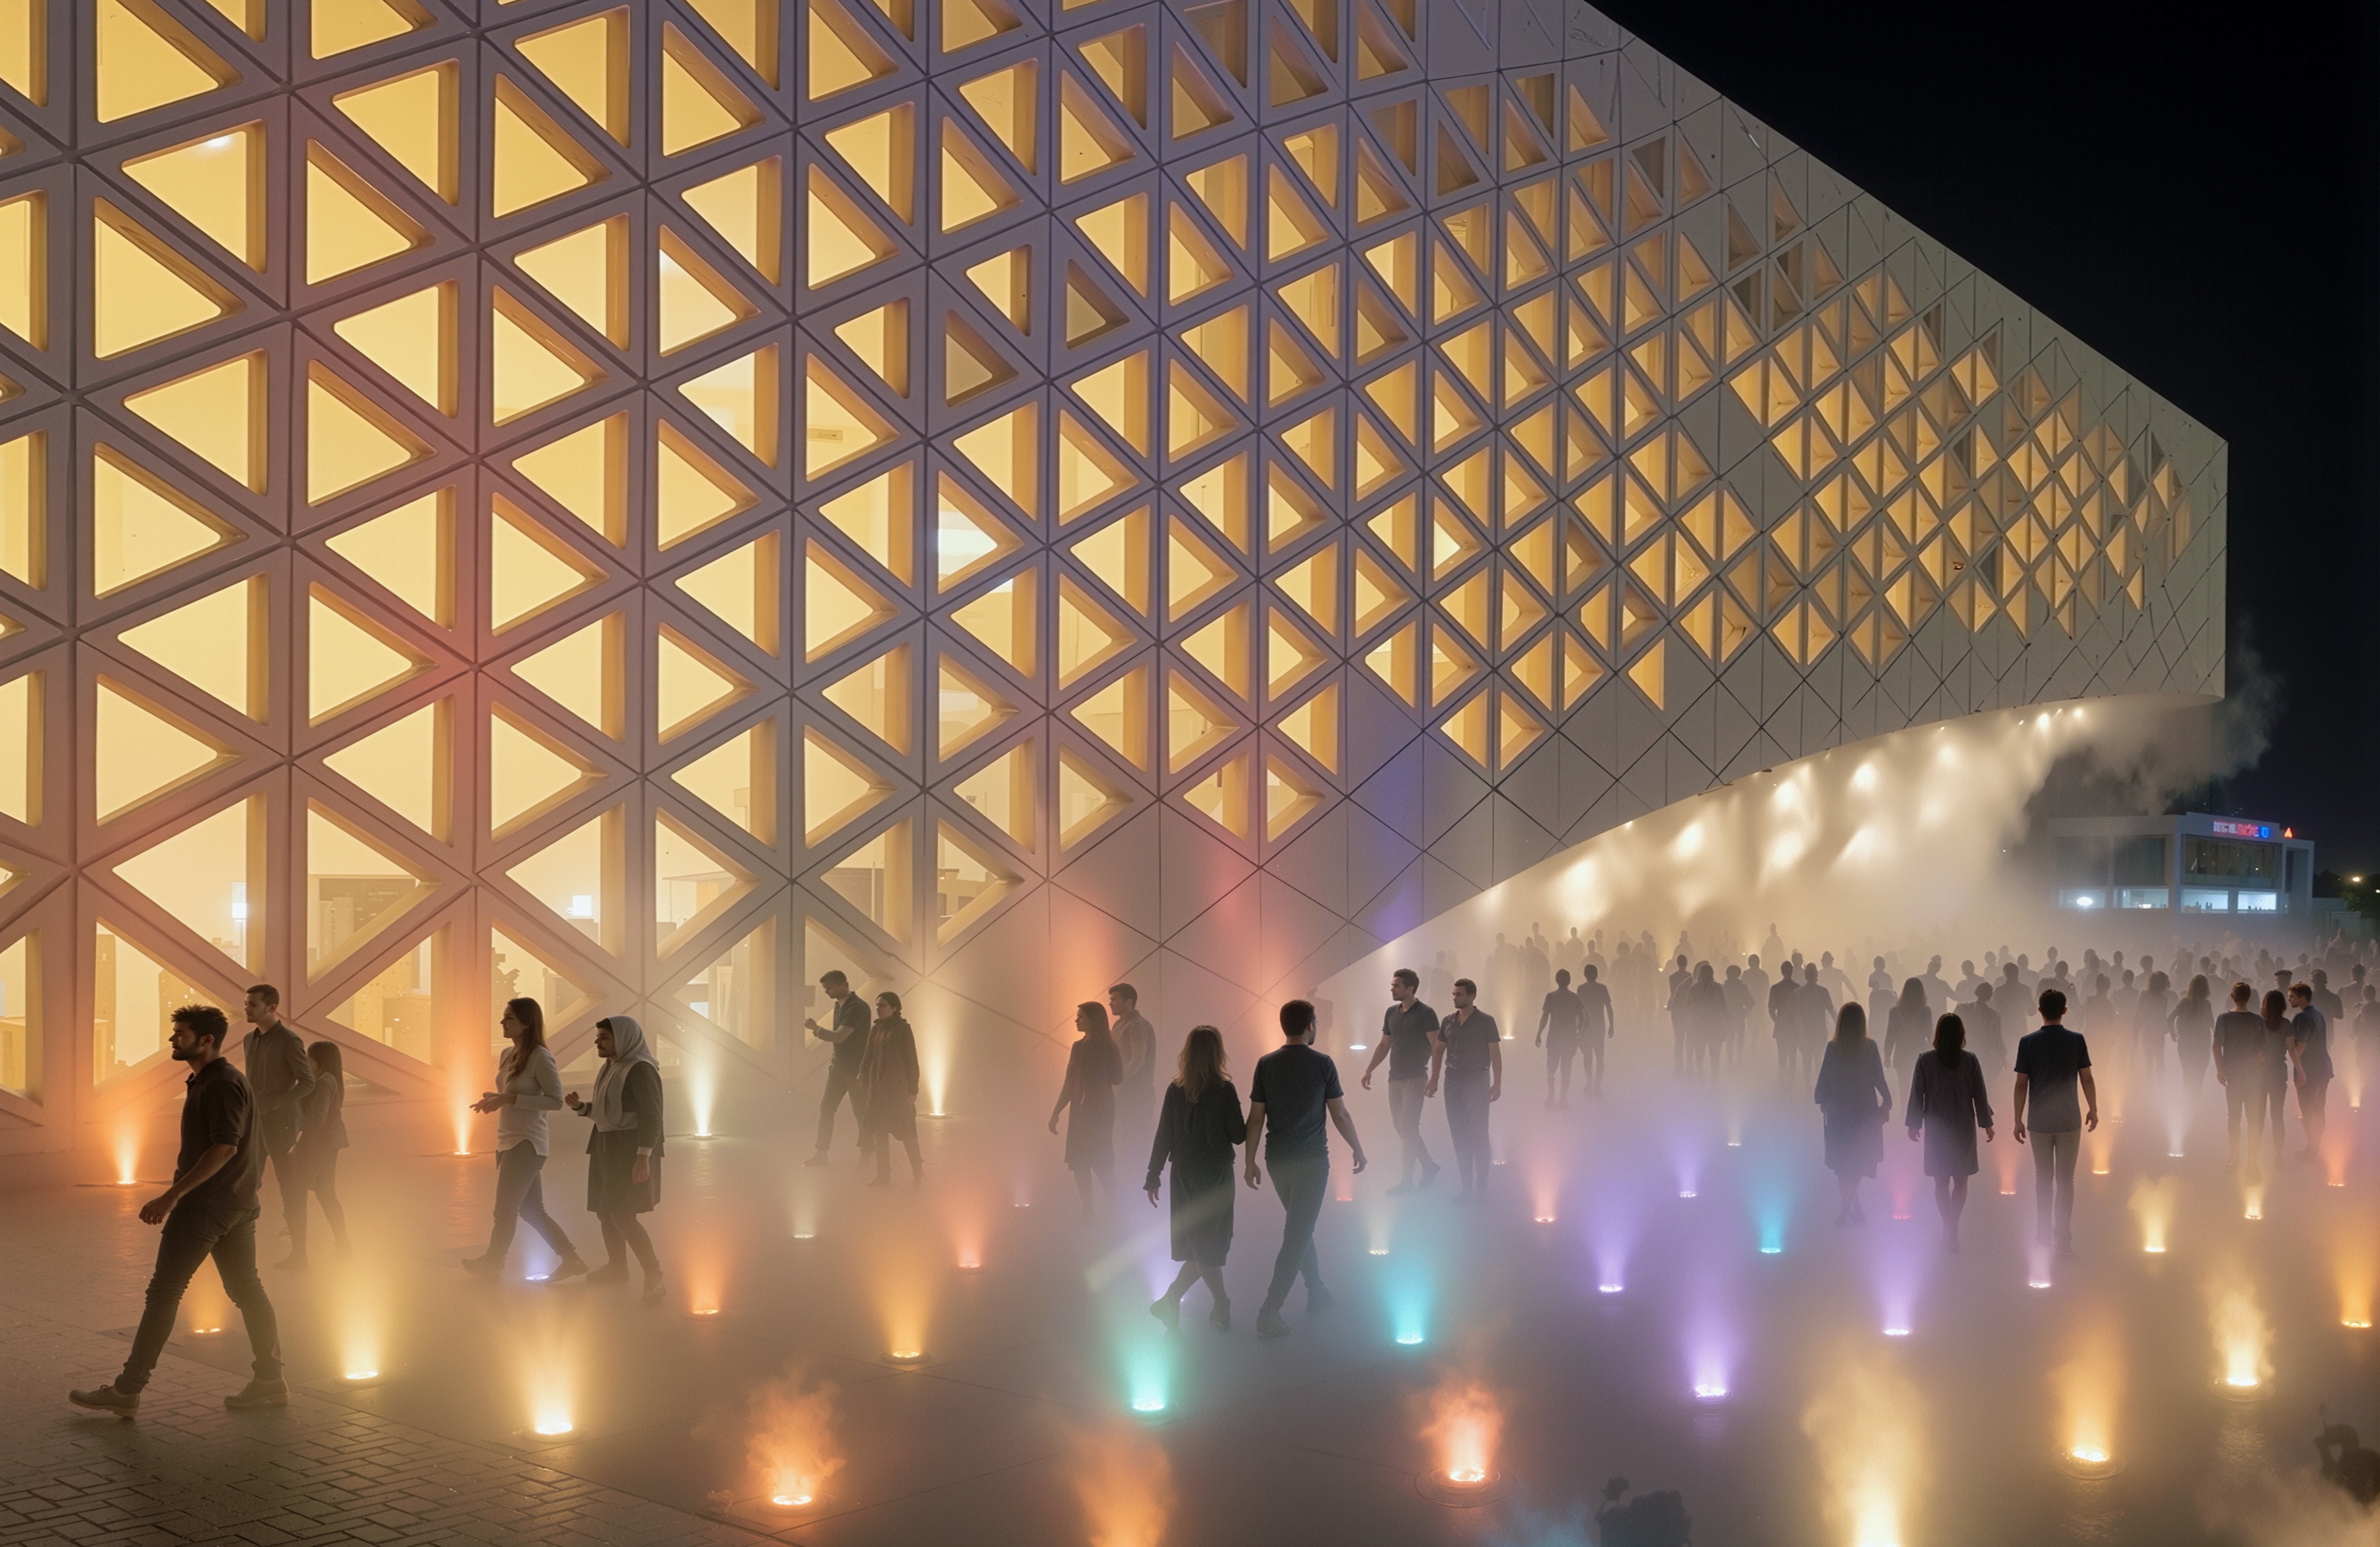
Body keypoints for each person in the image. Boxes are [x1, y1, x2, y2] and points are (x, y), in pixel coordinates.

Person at [71, 1006, 286, 1413]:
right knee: (247, 1291)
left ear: (206, 1040)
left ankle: (127, 1390)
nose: (173, 1040)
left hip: (207, 1207)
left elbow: (225, 1147)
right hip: (237, 1204)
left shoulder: (221, 1083)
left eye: (180, 1033)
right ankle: (271, 1381)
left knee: (165, 1293)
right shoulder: (213, 1080)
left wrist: (171, 1196)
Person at [1244, 1000, 1367, 1339]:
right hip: (1312, 1162)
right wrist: (1357, 1147)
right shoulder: (1323, 1064)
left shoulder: (1265, 1064)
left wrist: (1249, 1160)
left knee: (1300, 1228)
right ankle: (1269, 1311)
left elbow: (1256, 1118)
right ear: (1311, 1026)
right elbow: (1340, 1114)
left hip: (1277, 1160)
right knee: (1297, 1234)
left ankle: (1318, 1292)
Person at [466, 997, 589, 1280]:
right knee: (533, 1211)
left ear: (526, 1022)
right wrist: (497, 1100)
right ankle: (572, 1259)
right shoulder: (508, 1054)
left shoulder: (541, 1057)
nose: (502, 1022)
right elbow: (509, 1095)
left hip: (528, 1143)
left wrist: (510, 1098)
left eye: (509, 1018)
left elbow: (556, 1101)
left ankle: (493, 1262)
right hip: (507, 1141)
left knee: (505, 1211)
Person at [1144, 1025, 1246, 1331]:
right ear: (1217, 1053)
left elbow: (1164, 1134)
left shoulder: (1175, 1090)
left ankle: (1172, 1302)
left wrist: (1153, 1174)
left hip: (1184, 1175)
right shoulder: (1224, 1090)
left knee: (1199, 1245)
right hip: (1215, 1175)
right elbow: (1239, 1136)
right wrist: (1259, 1114)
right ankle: (1219, 1304)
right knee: (1208, 1246)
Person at [565, 1015, 667, 1305]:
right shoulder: (612, 1066)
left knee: (622, 1214)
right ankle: (617, 1267)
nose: (598, 1042)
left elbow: (651, 1116)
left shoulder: (641, 1070)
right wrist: (581, 1107)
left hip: (629, 1149)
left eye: (604, 1038)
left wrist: (643, 1157)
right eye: (598, 1037)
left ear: (623, 1039)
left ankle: (654, 1275)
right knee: (604, 1209)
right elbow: (609, 1111)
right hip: (606, 1145)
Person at [2012, 988, 2096, 1257]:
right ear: (2065, 1010)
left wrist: (2017, 1118)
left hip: (2039, 1119)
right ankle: (2064, 1237)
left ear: (2039, 1010)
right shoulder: (2077, 1040)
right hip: (2070, 1117)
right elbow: (2087, 1078)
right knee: (2066, 1179)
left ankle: (2042, 1232)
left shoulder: (2027, 1042)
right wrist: (2093, 1108)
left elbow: (2021, 1084)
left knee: (2043, 1178)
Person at [240, 985, 317, 1270]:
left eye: (253, 1004)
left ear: (271, 1008)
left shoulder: (289, 1040)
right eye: (246, 1003)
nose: (246, 1008)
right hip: (256, 1124)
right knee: (247, 1184)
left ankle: (300, 1254)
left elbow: (307, 1082)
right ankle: (242, 1251)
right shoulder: (250, 1039)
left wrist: (275, 1105)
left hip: (283, 1126)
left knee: (290, 1189)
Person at [1904, 1013, 1994, 1251]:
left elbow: (1917, 1095)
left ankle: (1947, 1226)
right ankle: (1954, 1224)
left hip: (1937, 1128)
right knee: (1961, 1182)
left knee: (1941, 1183)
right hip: (1963, 1126)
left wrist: (1914, 1123)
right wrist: (1987, 1123)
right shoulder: (1971, 1060)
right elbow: (1980, 1094)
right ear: (1961, 1034)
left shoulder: (1925, 1061)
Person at [1359, 969, 1441, 1192]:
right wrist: (1369, 1069)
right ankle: (1429, 1165)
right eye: (1392, 985)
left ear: (1410, 989)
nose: (1392, 989)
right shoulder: (1391, 1012)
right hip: (1394, 1079)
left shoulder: (1426, 1013)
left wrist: (1434, 1078)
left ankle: (1407, 1181)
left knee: (1408, 1126)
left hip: (1415, 1077)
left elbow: (1436, 1047)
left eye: (1396, 985)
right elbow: (1385, 1044)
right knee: (1402, 1128)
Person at [1813, 1003, 1891, 1225]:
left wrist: (1823, 1099)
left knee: (1844, 1163)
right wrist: (1887, 1100)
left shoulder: (1833, 1047)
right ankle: (1848, 1208)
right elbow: (1878, 1077)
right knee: (1856, 1162)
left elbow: (1825, 1078)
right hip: (1864, 1112)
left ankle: (1847, 1207)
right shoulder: (1870, 1046)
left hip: (1840, 1112)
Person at [1429, 978, 1501, 1202]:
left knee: (1479, 1133)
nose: (1455, 998)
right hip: (1453, 1082)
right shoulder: (1448, 1021)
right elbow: (1438, 1050)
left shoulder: (1486, 1021)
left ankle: (1481, 1185)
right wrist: (1434, 1078)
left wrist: (1497, 1083)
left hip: (1477, 1080)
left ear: (1472, 997)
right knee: (1459, 1135)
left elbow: (1495, 1054)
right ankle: (1466, 1186)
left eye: (1459, 994)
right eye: (1453, 994)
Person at [1049, 1001, 1123, 1216]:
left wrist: (1057, 1112)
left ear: (1093, 1020)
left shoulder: (1103, 1046)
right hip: (1085, 1111)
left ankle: (1109, 1206)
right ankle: (1093, 1207)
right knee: (1082, 1161)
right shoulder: (1080, 1046)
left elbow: (1117, 1078)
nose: (1076, 1020)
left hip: (1097, 1112)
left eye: (1081, 1016)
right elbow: (1070, 1083)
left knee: (1097, 1161)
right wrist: (1057, 1111)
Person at [288, 1041, 350, 1259]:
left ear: (319, 1060)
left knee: (298, 1193)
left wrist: (294, 1131)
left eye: (309, 1057)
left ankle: (299, 1251)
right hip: (329, 1142)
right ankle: (343, 1244)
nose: (306, 1061)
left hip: (318, 1144)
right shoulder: (330, 1080)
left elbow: (317, 1119)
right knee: (326, 1193)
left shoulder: (324, 1083)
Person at [855, 991, 924, 1186]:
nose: (878, 1009)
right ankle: (883, 1175)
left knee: (906, 1132)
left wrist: (913, 1089)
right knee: (879, 1132)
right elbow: (869, 1054)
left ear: (895, 1008)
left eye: (883, 1005)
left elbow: (912, 1060)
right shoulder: (876, 1030)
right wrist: (863, 1073)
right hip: (878, 1090)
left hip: (897, 1091)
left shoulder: (903, 1030)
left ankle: (917, 1169)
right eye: (877, 1005)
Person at [2288, 981, 2333, 1164]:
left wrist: (2298, 1069)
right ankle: (2315, 1147)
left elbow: (2301, 1046)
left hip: (2309, 1070)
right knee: (2319, 1109)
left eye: (2292, 997)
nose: (2289, 999)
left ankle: (2312, 1148)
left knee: (2307, 1111)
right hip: (2324, 1068)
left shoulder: (2302, 1018)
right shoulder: (2318, 1014)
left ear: (2303, 998)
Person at [1111, 983, 1156, 1156]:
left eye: (1115, 999)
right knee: (1124, 1142)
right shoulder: (1117, 1026)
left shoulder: (1137, 1025)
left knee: (1136, 1143)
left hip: (1137, 1094)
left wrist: (1117, 1082)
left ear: (1129, 1001)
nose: (1111, 1003)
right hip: (1123, 1094)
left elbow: (1137, 1061)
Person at [1537, 968, 1584, 1106]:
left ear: (1556, 980)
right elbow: (1582, 1018)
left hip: (1554, 1038)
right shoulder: (1575, 998)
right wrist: (1579, 1032)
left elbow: (1545, 1017)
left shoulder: (1551, 997)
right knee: (1566, 1068)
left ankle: (1551, 1095)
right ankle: (1563, 1098)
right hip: (1569, 1038)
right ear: (1569, 981)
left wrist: (1539, 1033)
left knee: (1551, 1069)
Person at [2258, 989, 2293, 1170]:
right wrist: (2300, 1070)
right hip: (2279, 1071)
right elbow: (2292, 1050)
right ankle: (2278, 1155)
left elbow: (2255, 1048)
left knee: (2258, 1115)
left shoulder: (2259, 1024)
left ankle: (2254, 1153)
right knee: (2277, 1115)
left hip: (2261, 1072)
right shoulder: (2287, 1025)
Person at [2173, 974, 2217, 1100]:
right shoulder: (2206, 1004)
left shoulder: (2184, 1002)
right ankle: (2195, 1100)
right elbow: (2211, 1024)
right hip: (2202, 1043)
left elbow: (2170, 1018)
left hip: (2185, 1042)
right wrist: (2218, 1039)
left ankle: (2186, 1100)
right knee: (2200, 1074)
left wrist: (2173, 1033)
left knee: (2187, 1073)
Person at [1578, 963, 1614, 1095]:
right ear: (1597, 975)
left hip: (1586, 1027)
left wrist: (1577, 1027)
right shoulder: (1602, 988)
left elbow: (1579, 1009)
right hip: (1599, 1026)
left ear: (1585, 975)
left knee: (1587, 1056)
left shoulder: (1581, 989)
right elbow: (1609, 1008)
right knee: (1600, 1057)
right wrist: (1612, 1025)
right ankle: (1597, 1085)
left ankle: (1589, 1081)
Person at [1882, 978, 1930, 1071]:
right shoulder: (1926, 1011)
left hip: (1901, 1052)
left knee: (1904, 1082)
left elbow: (1891, 1034)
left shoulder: (1895, 1011)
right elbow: (1929, 1033)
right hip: (1920, 1051)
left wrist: (1888, 1054)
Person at [1964, 981, 2007, 1072]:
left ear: (1976, 992)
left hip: (1969, 1047)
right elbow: (1997, 1037)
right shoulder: (1994, 1014)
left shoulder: (1964, 1008)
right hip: (1988, 1051)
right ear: (1990, 995)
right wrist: (2003, 1055)